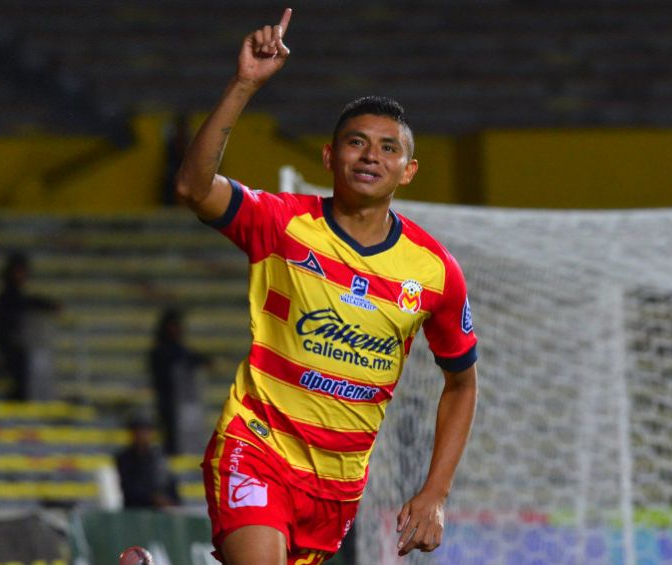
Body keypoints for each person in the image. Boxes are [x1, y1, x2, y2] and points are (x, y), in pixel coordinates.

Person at [175, 9, 479, 565]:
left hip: (337, 489)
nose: (371, 156)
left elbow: (461, 384)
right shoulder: (281, 223)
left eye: (388, 148)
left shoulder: (435, 271)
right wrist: (244, 84)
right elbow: (194, 188)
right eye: (356, 142)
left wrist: (436, 492)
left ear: (408, 170)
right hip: (256, 446)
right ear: (329, 155)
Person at [0, 252, 61, 401]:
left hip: (19, 352)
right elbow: (25, 302)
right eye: (18, 271)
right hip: (13, 351)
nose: (21, 276)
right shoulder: (7, 297)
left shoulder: (14, 296)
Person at [149, 307, 209, 455]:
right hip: (168, 399)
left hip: (183, 400)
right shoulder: (160, 351)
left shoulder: (181, 350)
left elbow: (196, 359)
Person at [114, 415, 180, 508]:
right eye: (140, 431)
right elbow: (129, 488)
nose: (144, 435)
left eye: (147, 431)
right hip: (136, 508)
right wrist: (153, 498)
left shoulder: (159, 456)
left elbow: (169, 482)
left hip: (161, 509)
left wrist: (172, 500)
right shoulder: (124, 458)